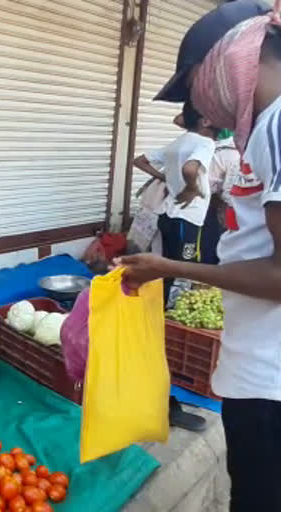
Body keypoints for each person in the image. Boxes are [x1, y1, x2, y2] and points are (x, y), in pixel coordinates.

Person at [117, 3, 281, 510]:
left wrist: (168, 267)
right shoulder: (267, 127)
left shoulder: (278, 124)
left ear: (233, 58)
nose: (204, 109)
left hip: (269, 384)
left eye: (196, 87)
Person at [132, 100, 219, 302]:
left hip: (167, 214)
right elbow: (190, 169)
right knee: (186, 268)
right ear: (205, 121)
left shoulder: (179, 142)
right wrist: (192, 188)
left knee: (166, 266)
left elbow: (139, 160)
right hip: (187, 216)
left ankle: (159, 306)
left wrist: (163, 177)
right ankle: (173, 312)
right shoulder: (205, 143)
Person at [201, 129, 241, 264]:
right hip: (209, 204)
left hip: (208, 203)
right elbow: (228, 194)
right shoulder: (234, 153)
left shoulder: (218, 147)